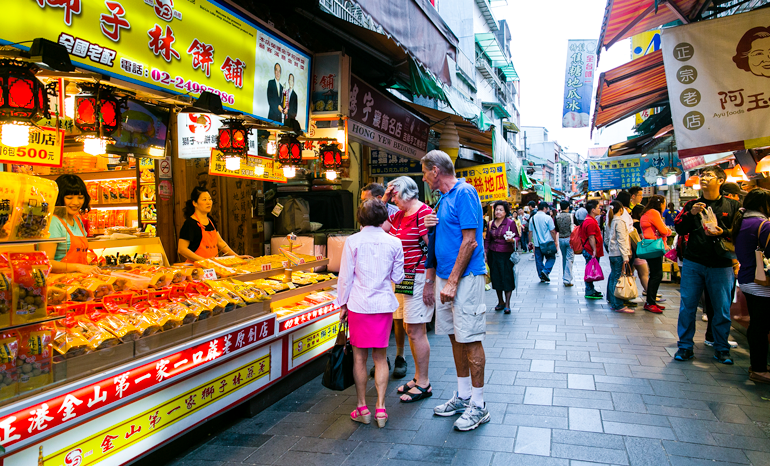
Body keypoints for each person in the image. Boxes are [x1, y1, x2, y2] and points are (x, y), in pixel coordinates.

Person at [421, 150, 489, 432]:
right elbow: (447, 238)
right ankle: (462, 396)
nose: (424, 177)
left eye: (425, 171)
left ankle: (479, 404)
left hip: (465, 279)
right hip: (446, 278)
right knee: (455, 337)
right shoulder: (444, 199)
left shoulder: (465, 192)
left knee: (470, 338)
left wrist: (451, 281)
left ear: (436, 170)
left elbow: (470, 242)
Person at [335, 199, 405, 428]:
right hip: (383, 305)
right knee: (380, 357)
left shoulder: (352, 241)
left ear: (360, 218)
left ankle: (362, 407)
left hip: (358, 305)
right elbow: (398, 278)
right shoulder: (395, 243)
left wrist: (342, 305)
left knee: (359, 358)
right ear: (384, 217)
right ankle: (382, 409)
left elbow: (345, 277)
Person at [673, 166, 741, 364]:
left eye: (708, 176)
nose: (703, 178)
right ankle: (685, 347)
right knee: (688, 306)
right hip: (694, 262)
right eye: (702, 176)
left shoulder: (732, 206)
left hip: (722, 264)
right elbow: (679, 227)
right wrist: (691, 214)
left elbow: (738, 233)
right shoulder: (692, 205)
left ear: (720, 180)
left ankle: (721, 348)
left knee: (721, 309)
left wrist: (723, 232)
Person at [381, 176, 435, 402]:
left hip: (419, 277)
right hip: (403, 279)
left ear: (405, 193)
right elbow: (380, 225)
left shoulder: (424, 213)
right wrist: (383, 199)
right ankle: (417, 377)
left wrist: (430, 284)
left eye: (394, 194)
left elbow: (432, 250)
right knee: (408, 327)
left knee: (416, 330)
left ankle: (424, 383)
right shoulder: (400, 215)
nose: (392, 198)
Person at [731, 188, 770, 382]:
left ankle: (759, 364)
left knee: (758, 325)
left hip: (747, 279)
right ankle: (759, 368)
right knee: (761, 327)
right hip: (762, 283)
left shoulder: (742, 221)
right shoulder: (764, 224)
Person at [40, 174, 101, 274]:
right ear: (59, 197)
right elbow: (46, 262)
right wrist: (78, 267)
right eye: (69, 197)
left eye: (80, 197)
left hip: (77, 281)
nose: (76, 202)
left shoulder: (77, 220)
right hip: (58, 282)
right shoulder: (53, 222)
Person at [178, 187, 246, 262]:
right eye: (204, 199)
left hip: (212, 266)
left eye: (210, 199)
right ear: (194, 203)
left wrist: (236, 257)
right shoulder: (190, 223)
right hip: (195, 268)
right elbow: (182, 249)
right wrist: (204, 261)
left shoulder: (210, 220)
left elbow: (219, 242)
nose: (208, 202)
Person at [640, 195, 671, 314]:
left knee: (655, 274)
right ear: (660, 203)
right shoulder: (653, 213)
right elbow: (664, 230)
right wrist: (667, 231)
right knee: (656, 275)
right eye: (664, 202)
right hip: (654, 246)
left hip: (650, 246)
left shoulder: (647, 212)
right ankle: (650, 303)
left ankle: (651, 301)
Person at [616, 190, 649, 305]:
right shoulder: (623, 213)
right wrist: (628, 249)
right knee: (623, 273)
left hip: (626, 247)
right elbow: (624, 233)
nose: (641, 197)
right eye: (640, 195)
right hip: (627, 247)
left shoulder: (622, 212)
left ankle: (624, 296)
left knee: (625, 273)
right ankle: (621, 298)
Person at [485, 200, 518, 314]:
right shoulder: (490, 224)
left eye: (501, 210)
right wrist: (485, 253)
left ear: (505, 212)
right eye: (496, 210)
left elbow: (517, 237)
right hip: (493, 254)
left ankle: (507, 304)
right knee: (496, 277)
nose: (498, 212)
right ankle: (500, 301)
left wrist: (512, 240)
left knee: (507, 278)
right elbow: (487, 240)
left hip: (506, 254)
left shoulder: (510, 223)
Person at [606, 201, 633, 313]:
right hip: (618, 254)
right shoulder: (620, 222)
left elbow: (607, 238)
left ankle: (613, 302)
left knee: (613, 277)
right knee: (618, 279)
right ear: (621, 210)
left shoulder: (611, 221)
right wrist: (625, 256)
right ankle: (618, 305)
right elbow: (621, 240)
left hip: (612, 253)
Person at [580, 200, 604, 299]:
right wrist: (594, 250)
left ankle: (591, 289)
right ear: (593, 210)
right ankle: (589, 290)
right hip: (590, 250)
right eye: (598, 207)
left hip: (591, 250)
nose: (600, 209)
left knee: (591, 269)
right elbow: (591, 237)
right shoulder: (590, 222)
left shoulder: (590, 220)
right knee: (590, 269)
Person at [531, 201, 558, 282]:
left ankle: (541, 275)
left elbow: (530, 231)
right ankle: (545, 271)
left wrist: (530, 241)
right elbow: (552, 231)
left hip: (537, 243)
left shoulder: (532, 218)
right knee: (551, 258)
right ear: (545, 208)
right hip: (548, 243)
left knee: (539, 260)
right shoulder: (548, 218)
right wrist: (555, 240)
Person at [555, 200, 574, 287]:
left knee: (564, 258)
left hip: (561, 239)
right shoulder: (571, 216)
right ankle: (567, 279)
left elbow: (557, 229)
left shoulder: (557, 217)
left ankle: (565, 276)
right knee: (569, 259)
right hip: (570, 238)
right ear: (567, 207)